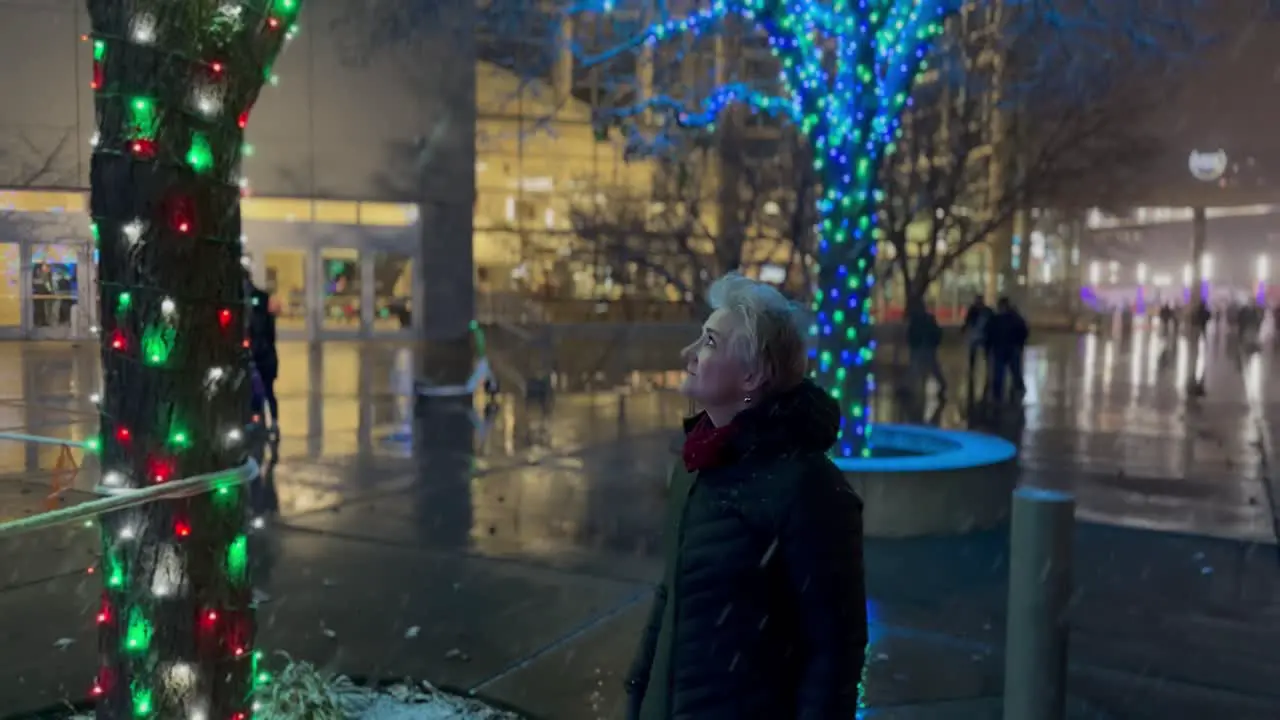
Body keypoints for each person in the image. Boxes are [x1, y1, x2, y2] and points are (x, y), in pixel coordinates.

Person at [626, 272, 867, 720]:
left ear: (753, 374)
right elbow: (671, 596)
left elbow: (833, 652)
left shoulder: (809, 488)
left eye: (710, 343)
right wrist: (637, 698)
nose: (689, 356)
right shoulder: (695, 466)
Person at [248, 281, 280, 434]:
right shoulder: (266, 317)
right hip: (268, 358)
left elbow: (262, 337)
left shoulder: (258, 318)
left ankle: (265, 421)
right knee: (265, 392)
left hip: (263, 358)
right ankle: (269, 421)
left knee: (263, 391)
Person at [985, 296, 1028, 402]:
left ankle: (998, 392)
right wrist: (1020, 344)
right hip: (1011, 347)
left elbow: (989, 333)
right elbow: (1024, 331)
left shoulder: (996, 319)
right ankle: (1017, 388)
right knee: (1014, 370)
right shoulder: (1015, 317)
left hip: (1000, 347)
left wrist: (989, 347)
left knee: (1000, 371)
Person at [906, 302, 946, 396]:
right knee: (931, 366)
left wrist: (912, 343)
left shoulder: (917, 320)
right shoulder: (927, 318)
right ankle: (942, 384)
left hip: (922, 346)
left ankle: (912, 388)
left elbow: (912, 333)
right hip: (925, 346)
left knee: (919, 366)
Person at [961, 294, 992, 394]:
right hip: (978, 335)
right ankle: (973, 369)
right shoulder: (978, 310)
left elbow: (967, 321)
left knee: (982, 353)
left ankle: (982, 370)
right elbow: (967, 321)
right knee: (975, 353)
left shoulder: (982, 311)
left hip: (982, 336)